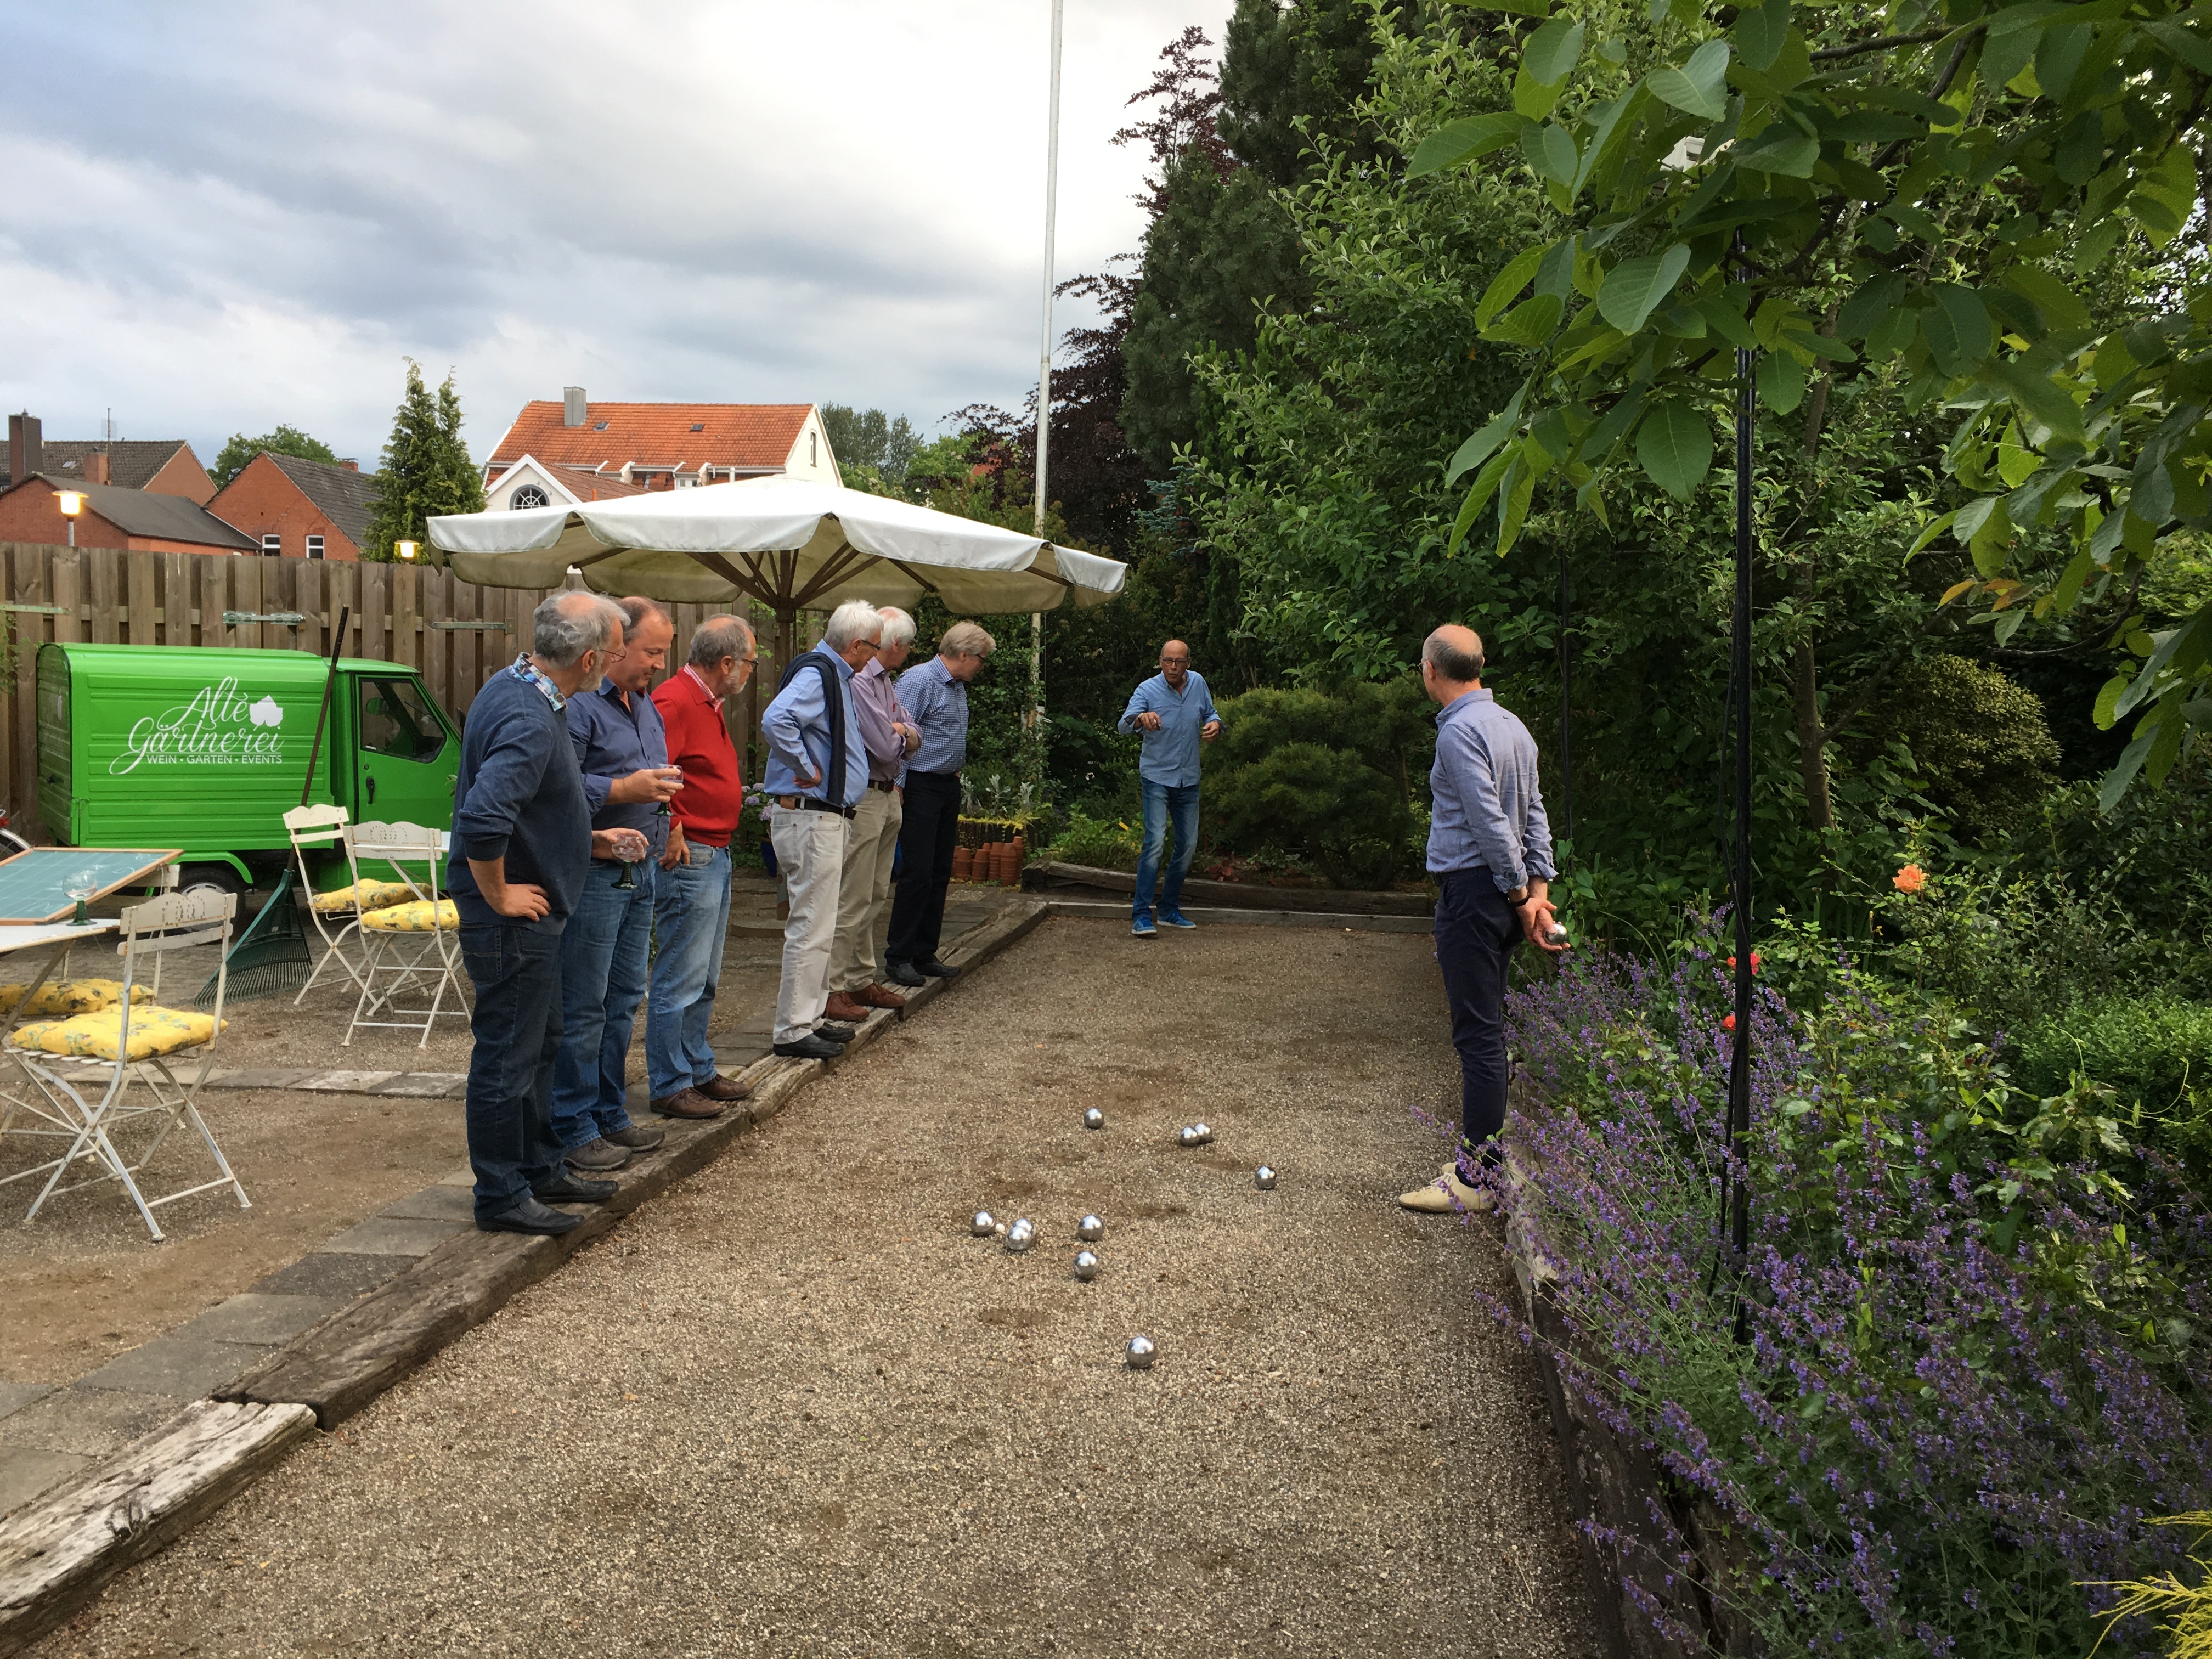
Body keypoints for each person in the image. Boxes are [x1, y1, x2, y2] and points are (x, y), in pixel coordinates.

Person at [449, 591, 635, 1237]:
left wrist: (586, 838)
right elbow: (482, 817)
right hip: (513, 919)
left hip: (535, 910)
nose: (613, 664)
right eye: (613, 653)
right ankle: (501, 1194)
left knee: (543, 1044)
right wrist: (499, 894)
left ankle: (541, 1164)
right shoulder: (530, 717)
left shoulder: (519, 683)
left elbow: (529, 809)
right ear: (587, 658)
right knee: (509, 1054)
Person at [1400, 623, 1566, 1216]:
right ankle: (1481, 1157)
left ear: (1430, 671)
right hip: (1502, 892)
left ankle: (1477, 1178)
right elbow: (1535, 813)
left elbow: (1491, 823)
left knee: (1478, 1036)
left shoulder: (1460, 734)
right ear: (1481, 665)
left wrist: (1522, 896)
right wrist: (1538, 893)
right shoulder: (1511, 725)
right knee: (1488, 1028)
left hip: (1476, 894)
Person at [550, 596, 696, 1172]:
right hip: (593, 873)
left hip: (642, 873)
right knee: (584, 1006)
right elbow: (560, 786)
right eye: (651, 652)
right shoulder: (581, 708)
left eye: (664, 652)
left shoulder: (644, 706)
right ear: (615, 648)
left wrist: (669, 820)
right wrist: (622, 791)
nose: (660, 663)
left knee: (622, 1002)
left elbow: (652, 779)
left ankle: (610, 1113)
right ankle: (572, 1124)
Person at [647, 613, 758, 1116]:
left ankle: (696, 1066)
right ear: (728, 662)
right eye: (751, 664)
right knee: (680, 974)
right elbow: (653, 770)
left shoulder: (703, 701)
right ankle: (670, 1082)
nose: (751, 672)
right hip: (692, 854)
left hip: (714, 850)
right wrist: (673, 827)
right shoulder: (675, 700)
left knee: (705, 974)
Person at [760, 599, 882, 1059]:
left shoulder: (832, 676)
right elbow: (777, 719)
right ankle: (793, 1030)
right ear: (855, 645)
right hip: (812, 815)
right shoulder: (820, 674)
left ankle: (809, 1019)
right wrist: (806, 766)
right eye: (872, 647)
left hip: (822, 816)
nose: (874, 656)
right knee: (811, 925)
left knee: (820, 924)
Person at [882, 620, 994, 988]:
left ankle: (924, 952)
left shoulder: (958, 686)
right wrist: (897, 787)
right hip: (920, 787)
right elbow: (895, 734)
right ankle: (899, 957)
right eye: (981, 659)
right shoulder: (918, 682)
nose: (982, 666)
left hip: (946, 786)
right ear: (963, 654)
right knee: (917, 873)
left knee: (939, 872)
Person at [825, 605, 921, 1023]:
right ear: (893, 644)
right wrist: (900, 733)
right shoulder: (861, 682)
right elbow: (885, 744)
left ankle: (861, 977)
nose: (906, 651)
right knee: (854, 895)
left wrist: (902, 732)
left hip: (888, 794)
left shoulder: (886, 682)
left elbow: (911, 730)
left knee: (876, 893)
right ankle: (833, 987)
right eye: (906, 645)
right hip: (864, 796)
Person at [1116, 639, 1222, 938]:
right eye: (1167, 661)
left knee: (1187, 847)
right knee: (1155, 843)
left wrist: (1215, 724)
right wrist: (1141, 718)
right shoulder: (1147, 689)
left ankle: (1168, 909)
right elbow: (1124, 725)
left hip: (1189, 778)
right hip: (1157, 778)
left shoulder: (1199, 683)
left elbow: (1211, 713)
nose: (1173, 667)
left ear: (1189, 662)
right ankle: (1141, 915)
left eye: (1179, 662)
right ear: (1160, 661)